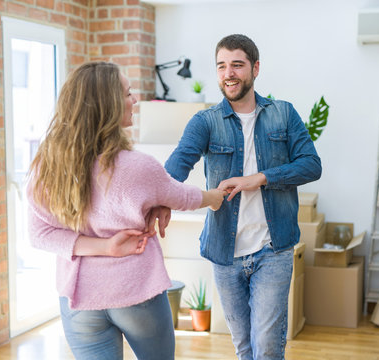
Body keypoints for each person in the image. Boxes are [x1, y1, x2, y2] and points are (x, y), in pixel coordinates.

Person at [26, 61, 225, 360]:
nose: (134, 101)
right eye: (127, 93)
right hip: (135, 293)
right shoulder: (138, 167)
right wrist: (215, 197)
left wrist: (105, 247)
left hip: (79, 301)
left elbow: (39, 235)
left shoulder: (48, 166)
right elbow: (182, 196)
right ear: (105, 105)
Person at [163, 34, 322, 359]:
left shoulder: (283, 114)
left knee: (266, 346)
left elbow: (311, 165)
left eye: (237, 64)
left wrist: (260, 179)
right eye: (221, 66)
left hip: (272, 249)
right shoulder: (205, 122)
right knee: (244, 347)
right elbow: (176, 166)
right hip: (225, 251)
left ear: (255, 68)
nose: (228, 73)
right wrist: (160, 200)